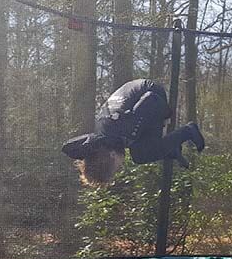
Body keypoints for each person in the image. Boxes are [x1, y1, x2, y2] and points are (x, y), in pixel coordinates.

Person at [61, 79, 205, 185]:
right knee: (138, 153)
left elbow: (151, 99)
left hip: (152, 93)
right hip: (141, 99)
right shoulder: (107, 137)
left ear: (111, 156)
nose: (120, 167)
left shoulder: (122, 130)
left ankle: (188, 131)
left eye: (116, 168)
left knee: (141, 154)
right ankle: (171, 148)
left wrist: (167, 112)